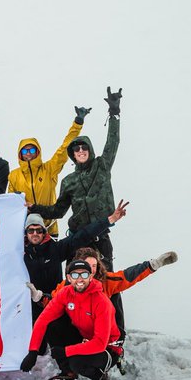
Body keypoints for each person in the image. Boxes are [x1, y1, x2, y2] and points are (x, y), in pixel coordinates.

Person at [33, 88, 122, 265]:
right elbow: (58, 211)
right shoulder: (69, 181)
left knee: (107, 284)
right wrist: (33, 208)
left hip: (101, 236)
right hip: (78, 239)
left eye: (84, 148)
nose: (80, 151)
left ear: (89, 149)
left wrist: (114, 113)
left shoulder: (101, 166)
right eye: (76, 149)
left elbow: (113, 142)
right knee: (76, 283)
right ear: (73, 154)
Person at [20, 258, 121, 380]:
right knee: (52, 324)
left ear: (91, 277)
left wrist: (66, 351)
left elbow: (100, 343)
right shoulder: (65, 293)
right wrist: (33, 352)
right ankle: (68, 372)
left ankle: (99, 375)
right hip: (85, 338)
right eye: (75, 275)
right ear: (69, 277)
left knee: (76, 361)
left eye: (84, 274)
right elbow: (42, 320)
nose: (79, 279)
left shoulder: (102, 302)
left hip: (107, 348)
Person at [23, 199, 129, 319]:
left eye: (39, 230)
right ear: (26, 233)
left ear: (44, 232)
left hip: (54, 304)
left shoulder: (56, 249)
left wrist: (110, 220)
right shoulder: (21, 254)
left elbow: (83, 235)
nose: (35, 233)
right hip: (29, 307)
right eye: (31, 230)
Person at [7, 105, 91, 234]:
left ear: (38, 152)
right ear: (20, 153)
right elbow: (10, 204)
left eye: (32, 149)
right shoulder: (13, 175)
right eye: (25, 150)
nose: (28, 153)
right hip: (26, 231)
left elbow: (64, 147)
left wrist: (78, 123)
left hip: (48, 229)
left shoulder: (49, 169)